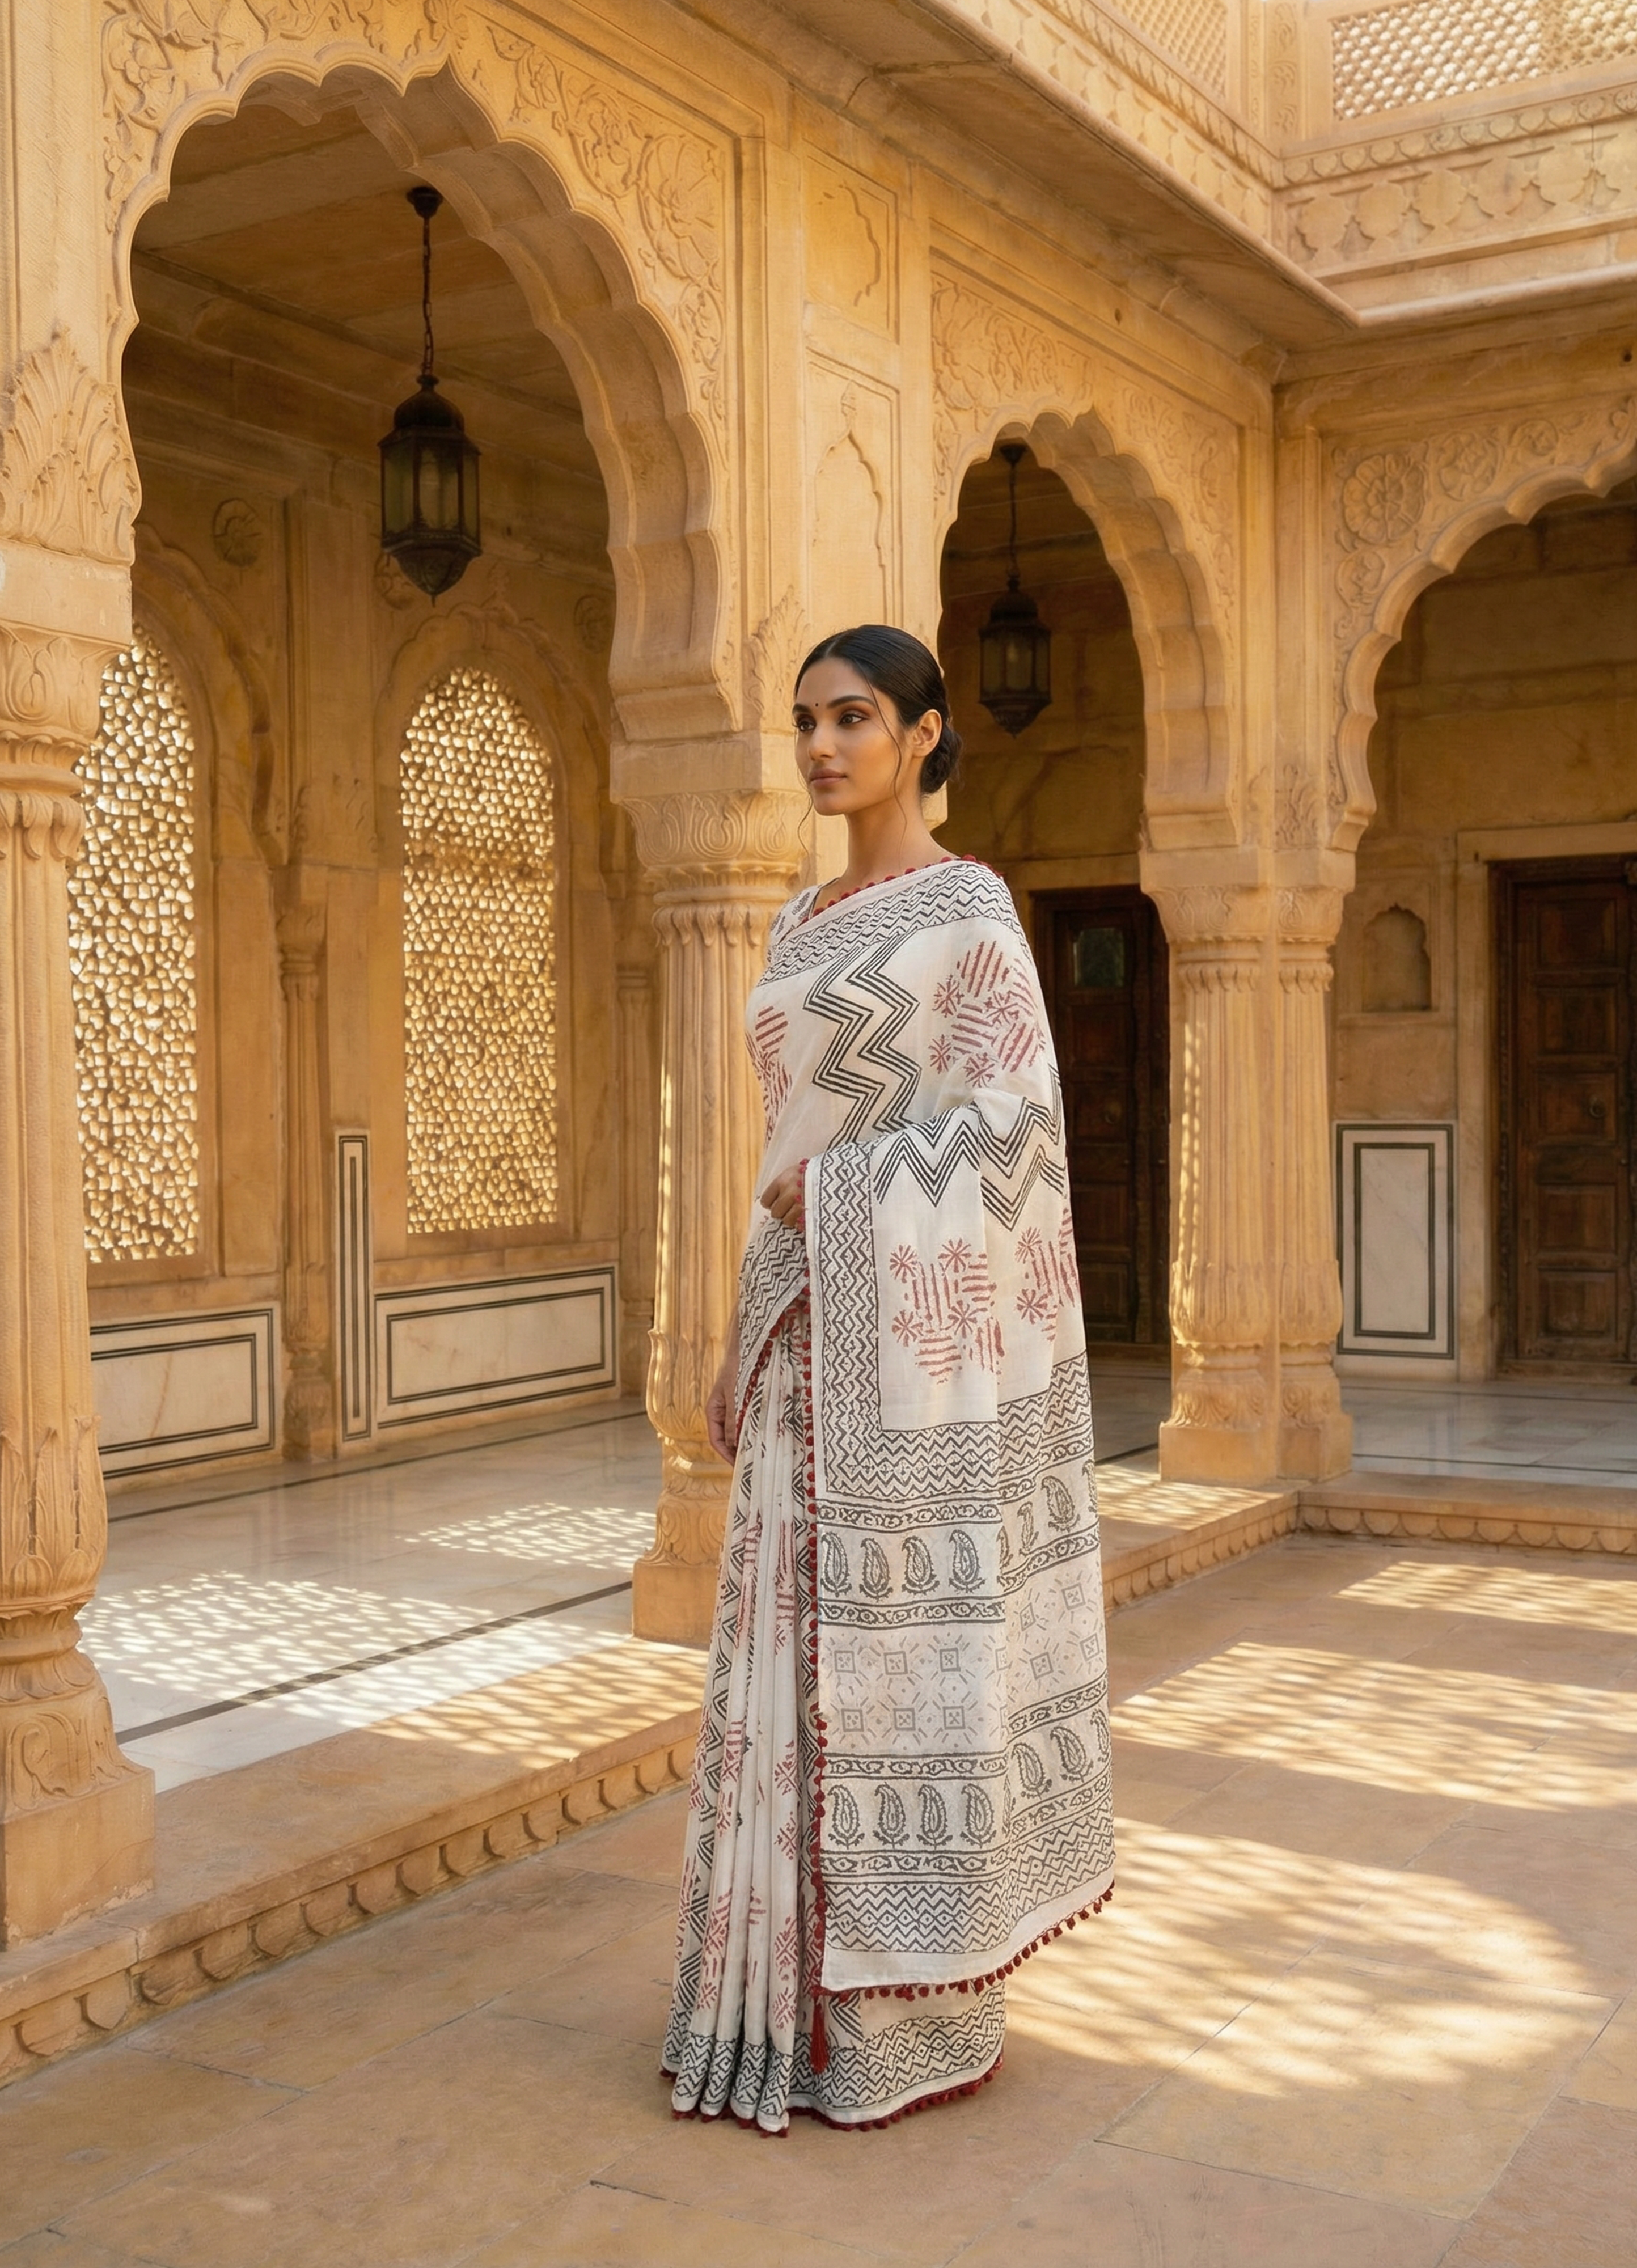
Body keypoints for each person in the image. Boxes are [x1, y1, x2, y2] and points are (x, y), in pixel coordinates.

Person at [662, 624, 1113, 2134]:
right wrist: (736, 1328)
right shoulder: (796, 926)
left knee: (900, 1674)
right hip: (803, 1341)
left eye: (853, 718)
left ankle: (906, 2020)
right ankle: (766, 2007)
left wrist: (853, 1193)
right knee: (785, 1666)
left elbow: (1020, 1137)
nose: (821, 747)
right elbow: (779, 1153)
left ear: (923, 734)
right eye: (805, 721)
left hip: (915, 1364)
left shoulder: (972, 914)